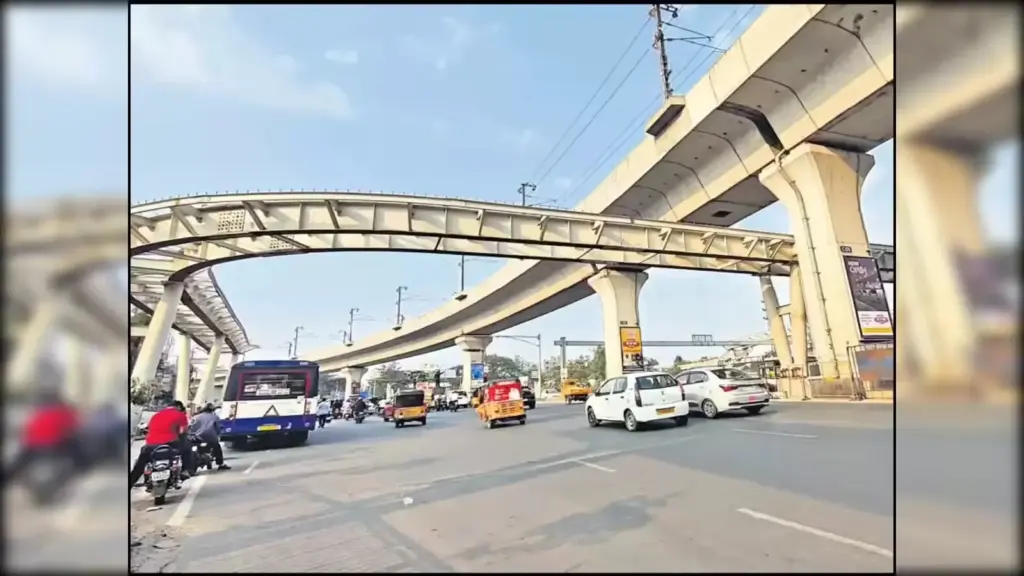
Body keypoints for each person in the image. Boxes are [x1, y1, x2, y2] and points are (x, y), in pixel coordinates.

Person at [4, 389, 83, 491]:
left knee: (19, 462)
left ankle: (8, 475)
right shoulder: (66, 411)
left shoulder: (37, 413)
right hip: (56, 445)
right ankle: (81, 467)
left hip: (34, 446)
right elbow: (75, 428)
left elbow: (26, 432)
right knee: (76, 445)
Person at [129, 400, 192, 489]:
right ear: (178, 407)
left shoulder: (155, 415)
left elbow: (149, 429)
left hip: (150, 446)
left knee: (140, 464)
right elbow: (183, 432)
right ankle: (185, 471)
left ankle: (130, 483)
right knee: (187, 447)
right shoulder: (180, 415)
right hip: (170, 444)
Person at [189, 403, 230, 471]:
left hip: (197, 437)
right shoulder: (214, 417)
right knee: (217, 447)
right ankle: (220, 464)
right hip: (211, 437)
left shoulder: (195, 417)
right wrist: (218, 434)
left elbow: (190, 428)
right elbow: (218, 427)